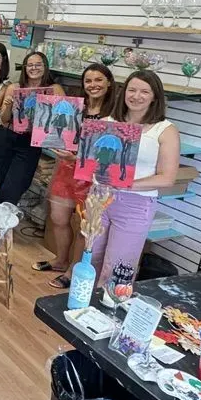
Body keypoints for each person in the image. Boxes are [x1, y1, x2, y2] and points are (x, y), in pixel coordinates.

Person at [91, 70, 180, 286]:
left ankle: (108, 312)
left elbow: (167, 178)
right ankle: (80, 311)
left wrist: (127, 184)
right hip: (99, 198)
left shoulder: (164, 130)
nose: (136, 96)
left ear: (154, 97)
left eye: (144, 91)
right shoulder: (107, 122)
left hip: (135, 205)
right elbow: (94, 163)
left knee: (118, 268)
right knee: (91, 258)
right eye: (131, 90)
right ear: (123, 93)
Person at [33, 64, 115, 289]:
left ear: (109, 82)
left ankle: (72, 271)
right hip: (66, 169)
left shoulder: (115, 114)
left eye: (98, 80)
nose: (93, 85)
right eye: (88, 81)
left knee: (84, 225)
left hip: (93, 176)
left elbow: (110, 155)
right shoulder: (76, 106)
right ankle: (60, 260)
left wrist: (76, 158)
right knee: (58, 218)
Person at [0, 51, 64, 207]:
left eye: (38, 64)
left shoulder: (54, 89)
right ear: (24, 68)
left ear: (45, 67)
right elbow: (4, 119)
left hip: (30, 143)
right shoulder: (15, 87)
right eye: (30, 65)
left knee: (15, 187)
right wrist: (8, 105)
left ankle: (3, 220)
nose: (33, 68)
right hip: (6, 137)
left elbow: (62, 118)